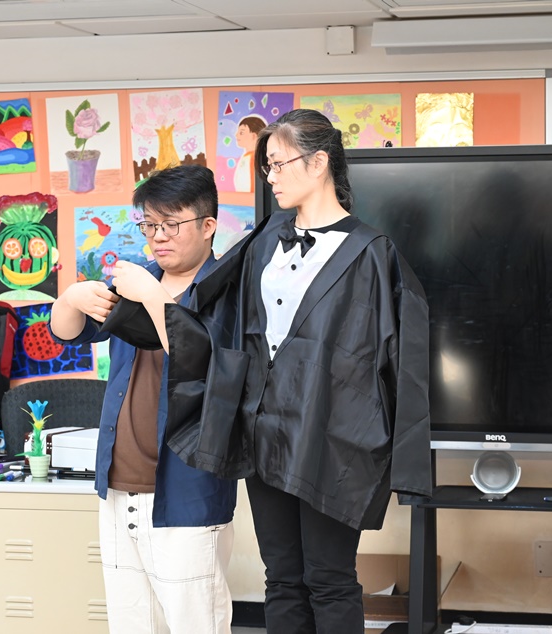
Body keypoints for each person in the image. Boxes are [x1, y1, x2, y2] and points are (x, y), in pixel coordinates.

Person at [103, 109, 432, 634]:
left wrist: (407, 465)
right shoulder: (263, 242)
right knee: (281, 578)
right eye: (268, 167)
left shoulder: (372, 253)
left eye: (278, 164)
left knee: (329, 578)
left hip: (335, 440)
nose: (270, 177)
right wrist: (136, 306)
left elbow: (403, 361)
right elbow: (210, 321)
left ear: (318, 162)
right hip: (266, 436)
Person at [48, 164, 236, 634]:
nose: (158, 237)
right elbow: (66, 332)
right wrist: (69, 299)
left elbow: (203, 362)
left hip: (187, 492)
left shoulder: (227, 290)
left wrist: (153, 296)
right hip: (118, 485)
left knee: (196, 623)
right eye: (149, 225)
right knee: (131, 622)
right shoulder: (137, 281)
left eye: (171, 224)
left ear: (208, 225)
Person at [233, 115, 267, 192]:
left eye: (241, 133)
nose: (236, 135)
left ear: (254, 136)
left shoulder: (255, 158)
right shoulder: (247, 157)